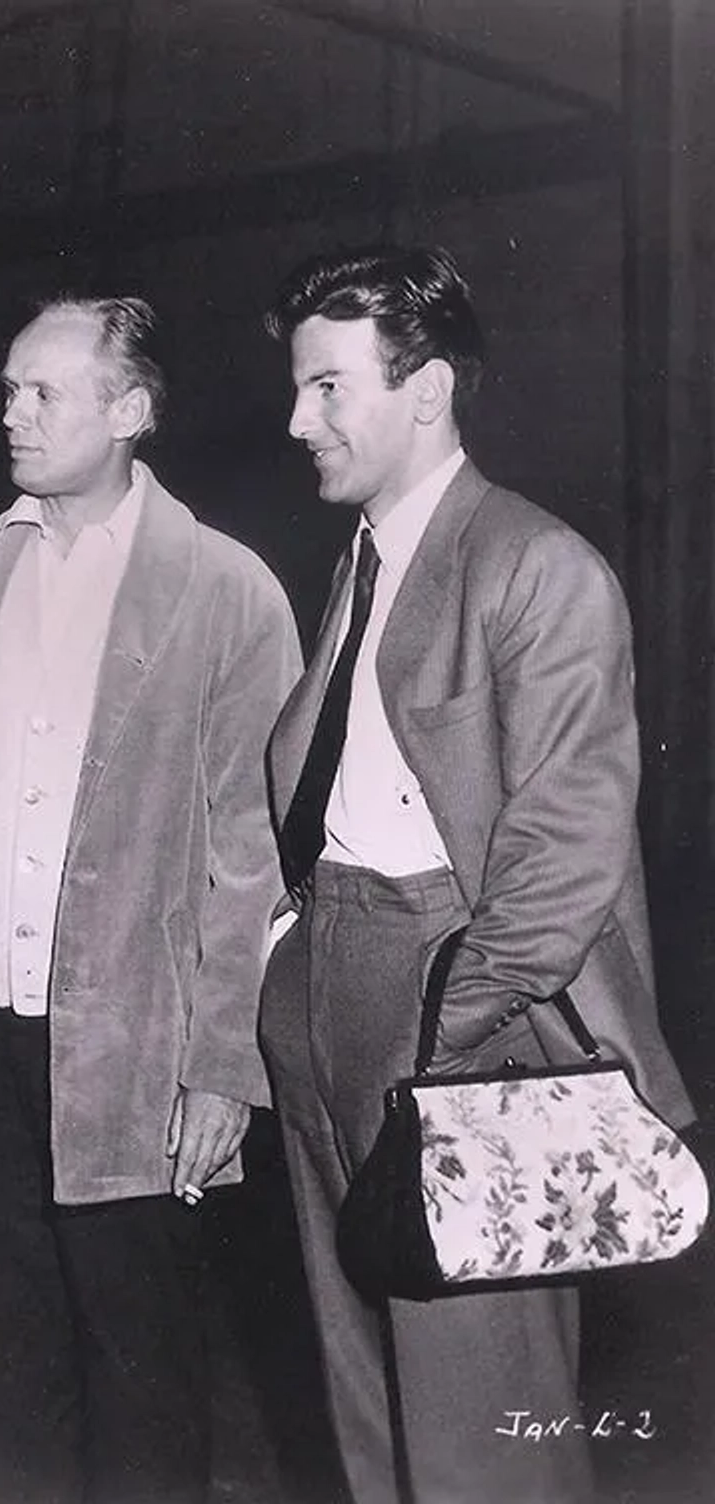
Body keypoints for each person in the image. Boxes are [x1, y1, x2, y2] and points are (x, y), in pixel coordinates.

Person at [258, 244, 694, 1504]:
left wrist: (430, 1030)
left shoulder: (537, 568)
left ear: (429, 390)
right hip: (328, 993)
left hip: (462, 1014)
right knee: (367, 1418)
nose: (299, 420)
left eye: (330, 387)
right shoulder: (360, 564)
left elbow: (565, 866)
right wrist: (290, 974)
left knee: (482, 1439)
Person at [0, 297, 301, 1504]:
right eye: (8, 388)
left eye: (42, 393)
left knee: (144, 1370)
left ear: (130, 412)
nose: (9, 413)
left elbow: (252, 852)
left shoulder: (228, 590)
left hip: (130, 1050)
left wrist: (225, 1063)